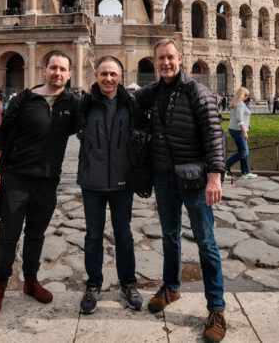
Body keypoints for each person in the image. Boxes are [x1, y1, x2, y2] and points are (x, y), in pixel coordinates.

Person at [134, 38, 228, 343]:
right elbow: (126, 101)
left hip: (196, 180)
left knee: (206, 243)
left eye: (170, 57)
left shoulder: (197, 92)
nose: (165, 63)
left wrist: (215, 177)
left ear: (181, 59)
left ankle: (216, 309)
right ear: (155, 61)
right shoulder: (154, 92)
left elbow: (215, 135)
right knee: (170, 236)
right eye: (160, 58)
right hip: (164, 177)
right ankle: (171, 288)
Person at [0, 50, 80, 316]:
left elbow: (90, 127)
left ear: (69, 74)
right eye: (53, 68)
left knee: (36, 234)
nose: (57, 73)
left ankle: (31, 280)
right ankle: (0, 285)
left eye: (63, 69)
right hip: (16, 177)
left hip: (48, 182)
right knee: (8, 234)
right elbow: (2, 134)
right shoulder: (25, 99)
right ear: (44, 70)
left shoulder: (72, 103)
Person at [76, 56, 143, 314]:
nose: (108, 78)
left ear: (121, 76)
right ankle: (93, 284)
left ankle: (128, 284)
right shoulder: (84, 104)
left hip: (122, 182)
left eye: (113, 74)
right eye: (104, 73)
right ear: (96, 76)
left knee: (124, 235)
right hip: (91, 181)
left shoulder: (131, 104)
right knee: (92, 236)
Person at [225, 87, 256, 180]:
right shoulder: (240, 104)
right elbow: (239, 119)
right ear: (242, 95)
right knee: (243, 152)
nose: (247, 97)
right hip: (238, 130)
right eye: (246, 95)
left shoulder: (236, 103)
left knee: (244, 151)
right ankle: (223, 168)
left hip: (234, 129)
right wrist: (244, 132)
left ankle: (245, 172)